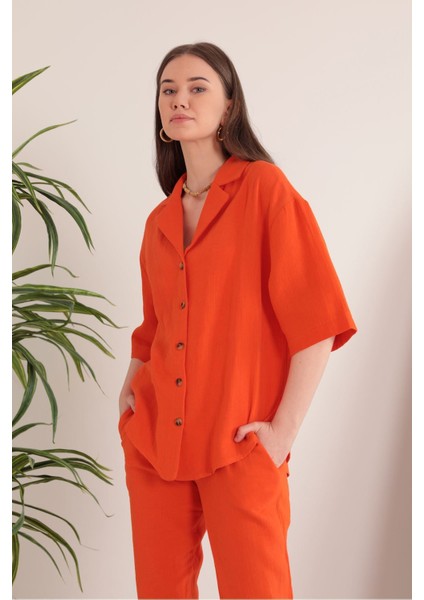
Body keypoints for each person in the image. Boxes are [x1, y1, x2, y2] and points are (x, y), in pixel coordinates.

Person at [117, 42, 358, 600]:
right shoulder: (159, 220)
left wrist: (281, 435)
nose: (179, 99)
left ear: (229, 106)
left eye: (197, 87)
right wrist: (129, 398)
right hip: (155, 440)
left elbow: (317, 320)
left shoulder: (265, 190)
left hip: (239, 442)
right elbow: (153, 328)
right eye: (168, 90)